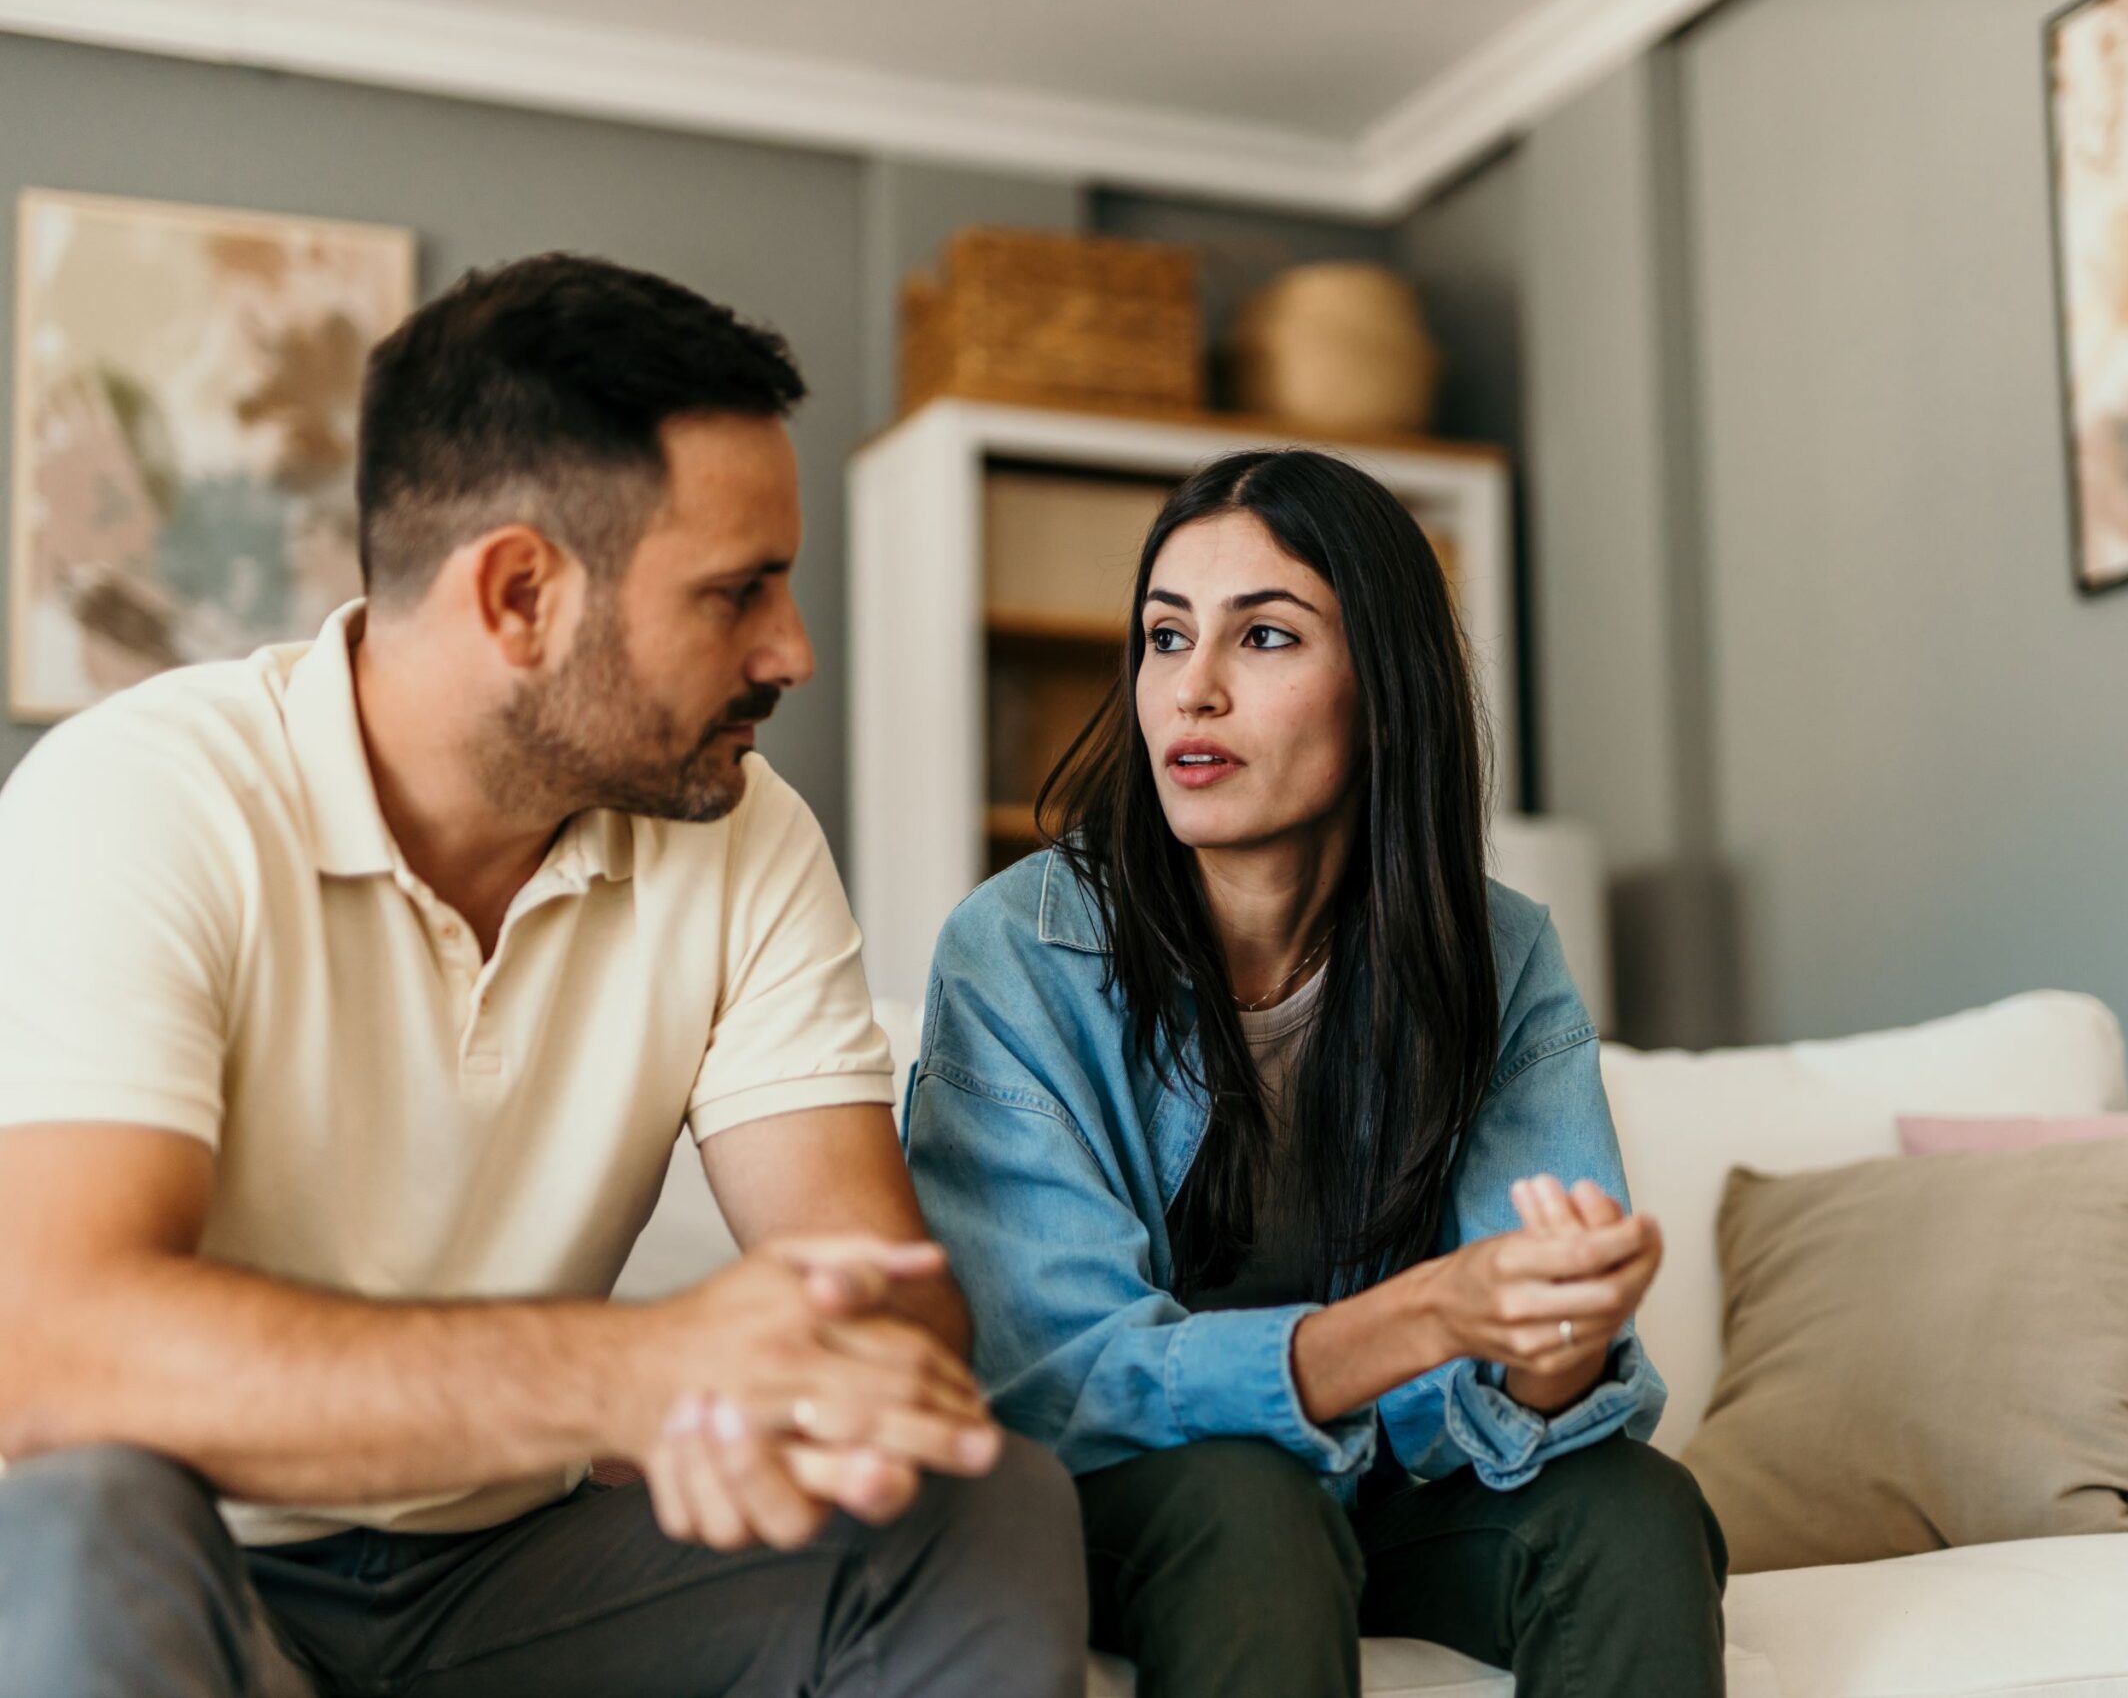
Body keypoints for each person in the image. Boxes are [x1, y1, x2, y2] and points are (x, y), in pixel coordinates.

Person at [0, 253, 1084, 1698]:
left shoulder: (745, 835)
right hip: (204, 1552)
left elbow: (877, 1300)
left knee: (980, 1498)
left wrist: (817, 1388)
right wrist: (622, 1375)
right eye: (736, 591)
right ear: (519, 592)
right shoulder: (140, 798)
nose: (793, 650)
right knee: (77, 1514)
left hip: (522, 1576)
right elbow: (52, 1346)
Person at [900, 449, 1729, 1696]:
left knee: (1633, 1506)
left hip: (1386, 1492)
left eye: (1267, 639)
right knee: (1250, 1500)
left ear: (1381, 687)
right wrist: (1419, 1318)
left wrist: (1554, 1332)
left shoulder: (1500, 954)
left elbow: (1518, 1397)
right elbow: (1056, 1381)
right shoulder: (1018, 951)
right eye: (1165, 638)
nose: (1195, 692)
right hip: (1126, 1497)